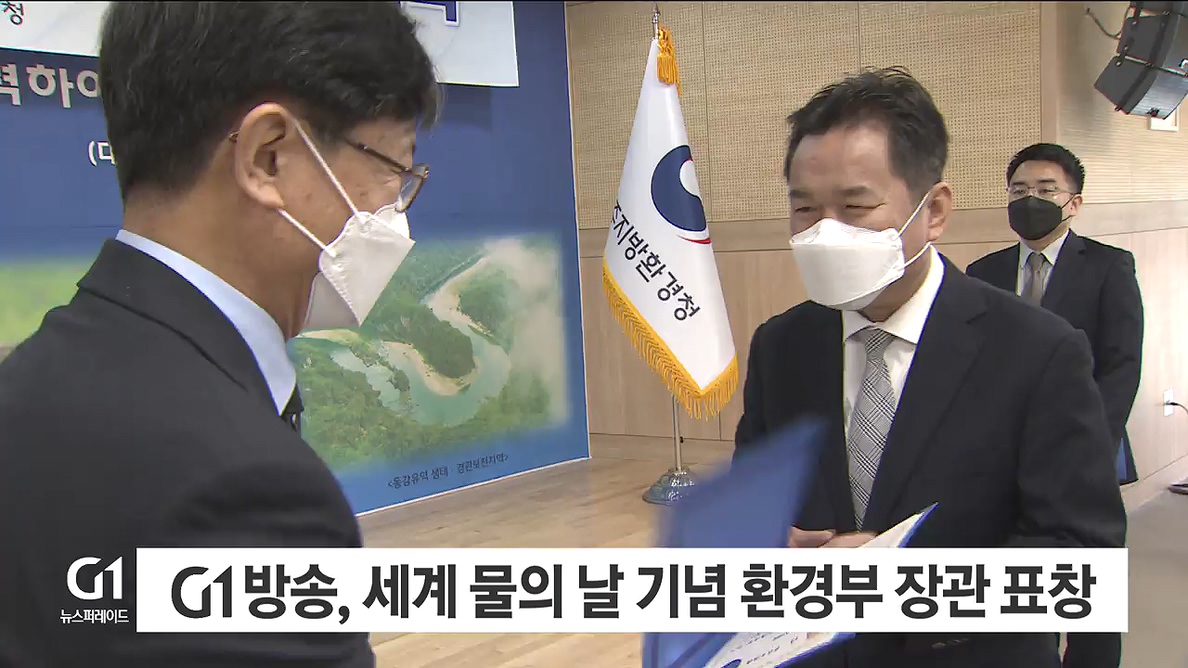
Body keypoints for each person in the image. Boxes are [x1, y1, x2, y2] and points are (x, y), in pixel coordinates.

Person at [0, 3, 437, 667]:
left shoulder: (24, 383)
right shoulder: (249, 491)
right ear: (268, 157)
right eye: (393, 171)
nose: (394, 209)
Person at [733, 67, 1126, 668]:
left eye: (855, 206)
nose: (824, 232)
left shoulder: (1038, 351)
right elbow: (755, 502)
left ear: (934, 210)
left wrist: (904, 584)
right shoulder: (781, 345)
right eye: (805, 208)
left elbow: (1082, 552)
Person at [966, 143, 1143, 487]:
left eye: (1046, 190)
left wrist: (1095, 442)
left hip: (1081, 436)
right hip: (1002, 444)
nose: (1030, 200)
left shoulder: (1109, 267)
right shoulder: (982, 272)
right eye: (1019, 190)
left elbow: (1122, 365)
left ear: (1073, 203)